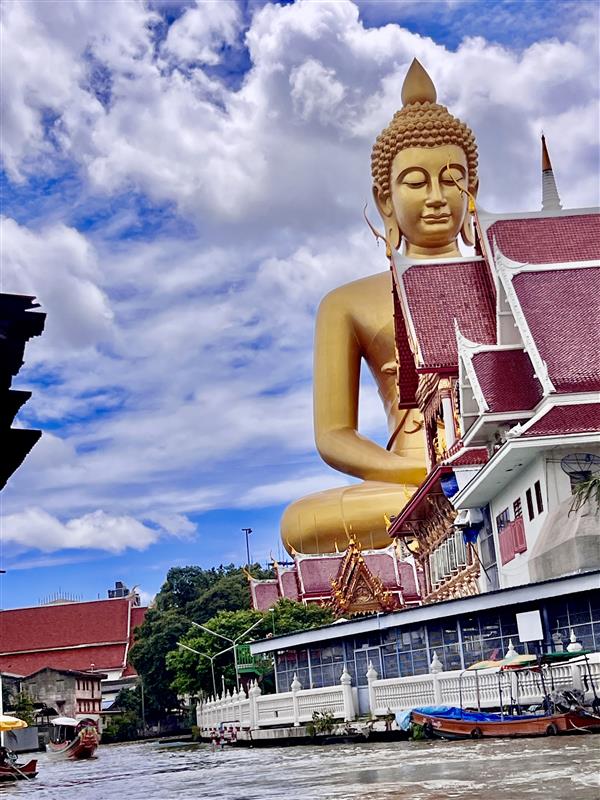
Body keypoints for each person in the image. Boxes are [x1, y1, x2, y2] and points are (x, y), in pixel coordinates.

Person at [281, 59, 479, 555]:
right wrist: (423, 472)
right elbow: (334, 437)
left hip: (505, 448)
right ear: (385, 200)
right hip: (408, 474)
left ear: (471, 189)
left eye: (452, 179)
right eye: (416, 182)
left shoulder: (507, 274)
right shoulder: (346, 303)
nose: (437, 197)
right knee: (303, 522)